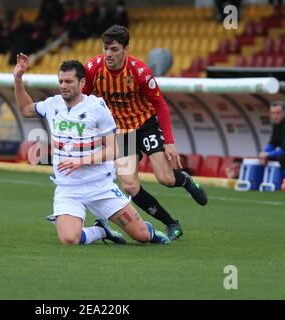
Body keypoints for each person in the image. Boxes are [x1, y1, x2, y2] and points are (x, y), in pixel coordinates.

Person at [13, 53, 170, 245]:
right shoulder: (52, 104)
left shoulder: (97, 108)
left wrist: (80, 161)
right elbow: (25, 109)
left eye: (69, 81)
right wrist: (18, 78)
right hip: (68, 189)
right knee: (69, 239)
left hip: (100, 187)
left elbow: (113, 150)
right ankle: (101, 230)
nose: (63, 86)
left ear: (82, 83)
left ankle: (150, 231)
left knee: (142, 237)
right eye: (61, 81)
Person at [82, 25, 208, 240]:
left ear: (126, 49)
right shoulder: (93, 69)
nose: (108, 54)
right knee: (130, 186)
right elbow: (83, 102)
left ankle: (185, 181)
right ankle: (171, 223)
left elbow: (160, 105)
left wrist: (169, 142)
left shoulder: (139, 71)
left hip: (145, 125)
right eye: (106, 49)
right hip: (122, 132)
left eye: (113, 49)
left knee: (165, 179)